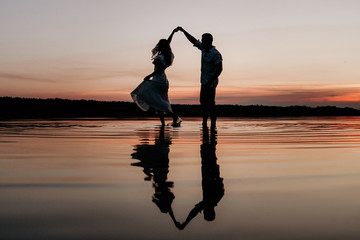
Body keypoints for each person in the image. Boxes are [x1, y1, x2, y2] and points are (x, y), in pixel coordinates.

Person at [131, 29, 182, 126]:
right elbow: (168, 42)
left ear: (161, 46)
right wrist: (172, 33)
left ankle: (174, 117)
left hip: (158, 81)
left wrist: (148, 76)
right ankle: (164, 124)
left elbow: (160, 69)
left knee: (157, 102)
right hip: (163, 81)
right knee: (160, 104)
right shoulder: (168, 55)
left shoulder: (160, 57)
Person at [177, 27, 223, 128]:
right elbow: (193, 40)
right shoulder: (203, 49)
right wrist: (183, 31)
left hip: (211, 83)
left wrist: (211, 81)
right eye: (201, 40)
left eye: (203, 40)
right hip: (203, 81)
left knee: (210, 103)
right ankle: (205, 122)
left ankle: (213, 124)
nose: (201, 41)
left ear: (209, 41)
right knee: (203, 102)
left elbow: (220, 69)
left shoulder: (215, 54)